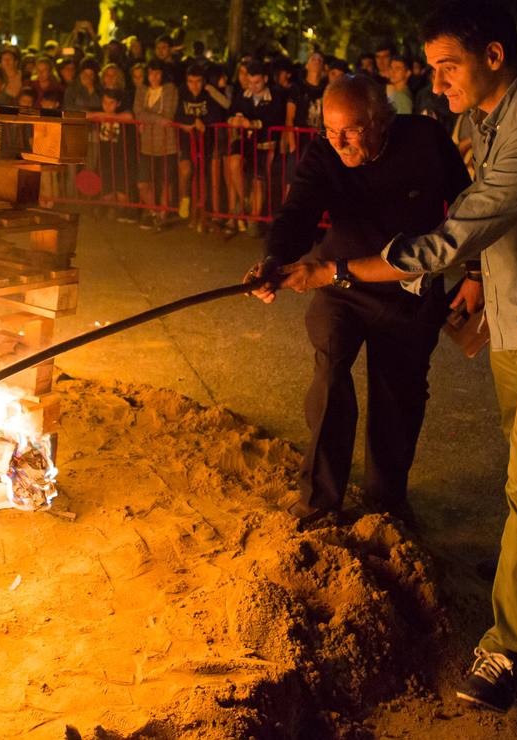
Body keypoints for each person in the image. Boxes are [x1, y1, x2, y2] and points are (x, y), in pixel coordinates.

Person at [276, 0, 517, 712]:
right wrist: (479, 287)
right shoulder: (478, 122)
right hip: (515, 310)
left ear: (493, 56)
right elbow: (478, 226)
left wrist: (337, 272)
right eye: (431, 68)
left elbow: (449, 235)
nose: (436, 84)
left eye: (447, 66)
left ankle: (508, 650)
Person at [245, 74, 469, 527]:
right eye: (330, 130)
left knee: (398, 393)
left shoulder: (425, 140)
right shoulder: (325, 153)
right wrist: (273, 260)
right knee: (330, 376)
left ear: (380, 119)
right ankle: (320, 501)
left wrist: (478, 272)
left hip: (410, 288)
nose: (339, 142)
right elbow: (299, 212)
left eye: (350, 131)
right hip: (339, 282)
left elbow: (468, 205)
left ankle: (386, 502)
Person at [226, 60, 288, 237]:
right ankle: (245, 200)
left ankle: (253, 221)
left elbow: (275, 119)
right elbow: (230, 114)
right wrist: (235, 120)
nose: (253, 86)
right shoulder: (241, 95)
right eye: (250, 82)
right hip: (245, 141)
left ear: (265, 79)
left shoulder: (275, 96)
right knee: (233, 162)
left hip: (265, 144)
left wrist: (252, 123)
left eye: (257, 82)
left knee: (259, 181)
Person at [132, 59, 181, 228]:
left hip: (167, 143)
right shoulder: (141, 90)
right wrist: (157, 118)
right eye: (151, 72)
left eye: (158, 73)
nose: (154, 76)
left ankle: (162, 215)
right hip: (147, 144)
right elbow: (137, 112)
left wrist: (148, 117)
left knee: (165, 182)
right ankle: (154, 212)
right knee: (143, 183)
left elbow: (169, 114)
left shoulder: (170, 89)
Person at [177, 63, 227, 228]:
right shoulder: (182, 92)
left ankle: (200, 214)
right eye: (191, 81)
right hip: (186, 142)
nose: (194, 86)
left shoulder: (209, 93)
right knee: (186, 170)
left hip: (206, 142)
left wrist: (203, 122)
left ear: (203, 81)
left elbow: (217, 115)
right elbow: (177, 115)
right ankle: (185, 199)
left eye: (198, 81)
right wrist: (192, 121)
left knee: (203, 179)